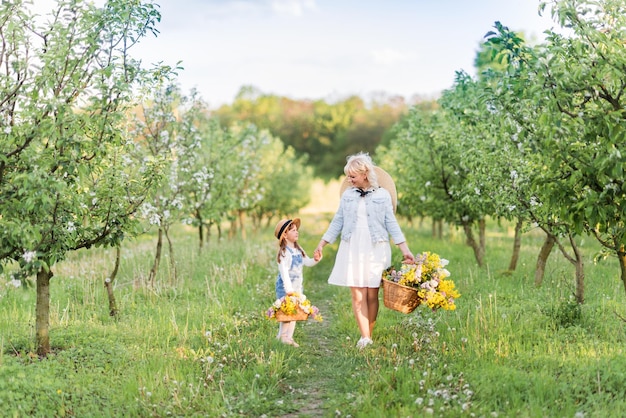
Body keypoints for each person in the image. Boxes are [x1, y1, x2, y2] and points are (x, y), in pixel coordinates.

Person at [314, 152, 415, 349]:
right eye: (348, 176)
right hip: (352, 246)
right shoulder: (347, 196)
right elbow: (338, 221)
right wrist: (322, 243)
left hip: (376, 247)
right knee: (357, 294)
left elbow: (391, 223)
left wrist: (405, 249)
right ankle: (365, 337)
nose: (349, 180)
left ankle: (369, 333)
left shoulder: (382, 195)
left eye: (352, 176)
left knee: (371, 294)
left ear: (365, 174)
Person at [274, 218, 321, 347]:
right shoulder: (284, 253)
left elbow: (308, 263)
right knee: (286, 313)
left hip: (296, 288)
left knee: (294, 313)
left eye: (296, 230)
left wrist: (316, 259)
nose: (297, 232)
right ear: (285, 235)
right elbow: (284, 274)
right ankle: (282, 336)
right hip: (286, 288)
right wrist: (289, 291)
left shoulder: (298, 250)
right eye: (293, 230)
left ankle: (288, 338)